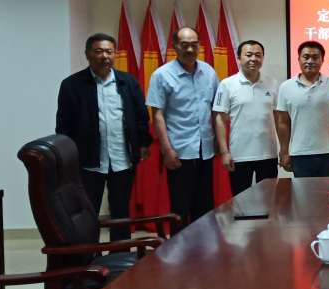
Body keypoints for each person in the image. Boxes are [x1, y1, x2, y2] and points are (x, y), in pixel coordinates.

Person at [55, 33, 151, 242]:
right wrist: (69, 157)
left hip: (122, 158)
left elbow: (141, 117)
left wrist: (143, 143)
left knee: (121, 210)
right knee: (87, 211)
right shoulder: (71, 85)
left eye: (109, 51)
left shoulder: (128, 82)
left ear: (115, 54)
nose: (104, 56)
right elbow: (64, 126)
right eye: (98, 51)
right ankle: (89, 255)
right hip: (88, 161)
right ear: (87, 54)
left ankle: (121, 253)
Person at [146, 27, 219, 235]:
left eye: (194, 44)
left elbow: (215, 109)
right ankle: (180, 251)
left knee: (205, 207)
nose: (189, 49)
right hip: (179, 152)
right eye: (184, 45)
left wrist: (217, 140)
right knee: (180, 208)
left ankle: (204, 248)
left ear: (199, 46)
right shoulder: (162, 75)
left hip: (205, 150)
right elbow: (158, 115)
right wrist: (167, 150)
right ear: (174, 47)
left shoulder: (208, 72)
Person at [213, 40, 279, 197]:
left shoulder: (272, 83)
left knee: (270, 199)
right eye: (248, 55)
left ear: (262, 58)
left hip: (268, 154)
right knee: (241, 201)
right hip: (239, 155)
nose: (253, 59)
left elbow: (278, 117)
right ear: (238, 58)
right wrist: (225, 152)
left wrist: (284, 149)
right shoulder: (227, 84)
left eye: (258, 55)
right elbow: (219, 119)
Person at [275, 41, 329, 177]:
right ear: (298, 59)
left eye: (315, 57)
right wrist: (284, 151)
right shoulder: (286, 87)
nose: (310, 61)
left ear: (322, 61)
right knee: (304, 191)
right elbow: (283, 122)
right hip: (300, 154)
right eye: (306, 57)